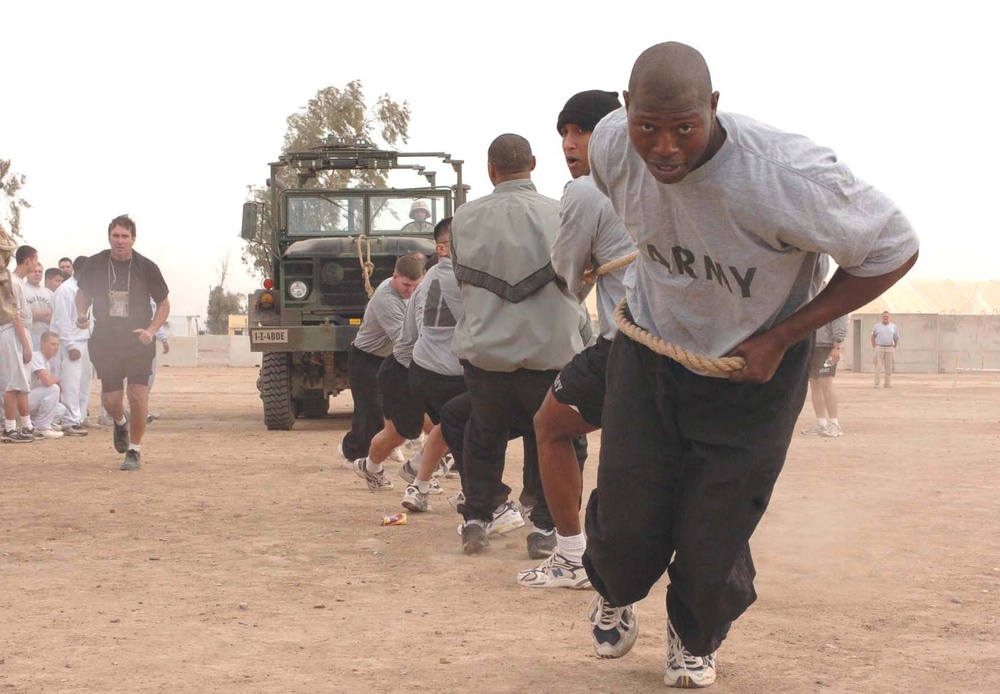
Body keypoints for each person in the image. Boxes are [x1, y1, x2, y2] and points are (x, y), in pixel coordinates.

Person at [581, 42, 919, 688]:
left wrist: (785, 336)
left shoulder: (786, 176)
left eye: (685, 127)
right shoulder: (608, 146)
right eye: (647, 127)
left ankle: (692, 635)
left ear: (714, 107)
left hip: (753, 371)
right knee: (626, 530)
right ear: (624, 112)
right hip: (651, 353)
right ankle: (615, 591)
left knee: (714, 536)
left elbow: (893, 246)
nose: (666, 148)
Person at [517, 89, 634, 590]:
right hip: (686, 342)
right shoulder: (656, 181)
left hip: (627, 342)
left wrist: (582, 269)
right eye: (565, 132)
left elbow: (569, 277)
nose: (571, 142)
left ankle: (570, 554)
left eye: (581, 130)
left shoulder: (586, 191)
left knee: (549, 425)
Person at [451, 133, 586, 557]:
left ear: (490, 169)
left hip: (486, 353)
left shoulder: (463, 219)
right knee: (561, 438)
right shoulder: (560, 212)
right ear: (532, 162)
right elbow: (579, 278)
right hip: (550, 352)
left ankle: (476, 518)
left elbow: (461, 280)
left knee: (483, 433)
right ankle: (547, 528)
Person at [76, 214, 170, 470]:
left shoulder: (146, 267)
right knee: (112, 399)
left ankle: (135, 451)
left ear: (133, 239)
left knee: (138, 395)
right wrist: (82, 315)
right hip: (106, 339)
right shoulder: (95, 264)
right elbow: (83, 294)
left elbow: (163, 304)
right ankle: (120, 422)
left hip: (138, 338)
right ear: (109, 238)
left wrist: (152, 330)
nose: (120, 241)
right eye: (115, 236)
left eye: (124, 236)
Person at [396, 218, 471, 511]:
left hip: (423, 370)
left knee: (446, 427)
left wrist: (414, 370)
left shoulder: (425, 282)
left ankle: (419, 485)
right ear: (442, 248)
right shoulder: (468, 279)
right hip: (456, 373)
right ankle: (476, 494)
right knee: (475, 430)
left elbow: (406, 340)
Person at [351, 255, 432, 492]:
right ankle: (360, 459)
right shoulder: (385, 299)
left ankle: (420, 469)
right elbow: (405, 339)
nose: (410, 291)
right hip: (367, 361)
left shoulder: (417, 291)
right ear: (394, 276)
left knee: (426, 420)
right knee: (375, 420)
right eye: (406, 285)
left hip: (394, 359)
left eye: (416, 286)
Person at [50, 256, 91, 437]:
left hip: (85, 340)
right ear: (78, 270)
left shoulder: (87, 290)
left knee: (84, 383)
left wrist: (88, 325)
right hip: (70, 343)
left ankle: (79, 417)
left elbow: (89, 316)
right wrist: (70, 345)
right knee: (70, 383)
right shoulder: (65, 290)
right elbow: (62, 320)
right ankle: (69, 420)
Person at [0, 236, 36, 443]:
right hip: (13, 332)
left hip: (18, 332)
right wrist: (25, 344)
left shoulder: (17, 282)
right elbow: (15, 315)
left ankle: (26, 425)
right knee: (13, 383)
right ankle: (10, 428)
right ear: (28, 260)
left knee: (21, 383)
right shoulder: (12, 282)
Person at [801, 310, 848, 437]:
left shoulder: (836, 298)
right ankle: (821, 423)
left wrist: (837, 346)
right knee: (814, 382)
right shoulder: (814, 295)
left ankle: (834, 423)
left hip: (827, 347)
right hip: (812, 345)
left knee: (825, 381)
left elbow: (840, 320)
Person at [28, 330, 66, 438]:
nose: (56, 347)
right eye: (52, 344)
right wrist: (57, 380)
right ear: (42, 343)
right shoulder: (36, 356)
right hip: (22, 400)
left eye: (57, 344)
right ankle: (43, 427)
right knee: (53, 389)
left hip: (32, 400)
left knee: (61, 409)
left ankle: (35, 424)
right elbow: (48, 381)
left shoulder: (47, 362)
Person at [24, 261, 54, 348]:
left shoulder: (49, 292)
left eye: (39, 272)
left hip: (47, 337)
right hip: (30, 335)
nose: (37, 274)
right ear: (27, 273)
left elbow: (55, 316)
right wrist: (47, 312)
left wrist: (35, 315)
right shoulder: (23, 290)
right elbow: (24, 315)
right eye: (34, 271)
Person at [871, 311, 900, 388]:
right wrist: (875, 346)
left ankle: (887, 383)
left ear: (889, 317)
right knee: (878, 367)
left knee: (889, 367)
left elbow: (896, 337)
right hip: (879, 348)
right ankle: (876, 384)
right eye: (884, 316)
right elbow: (873, 337)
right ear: (882, 317)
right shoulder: (876, 326)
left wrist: (894, 347)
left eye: (887, 316)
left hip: (890, 348)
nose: (885, 318)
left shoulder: (893, 326)